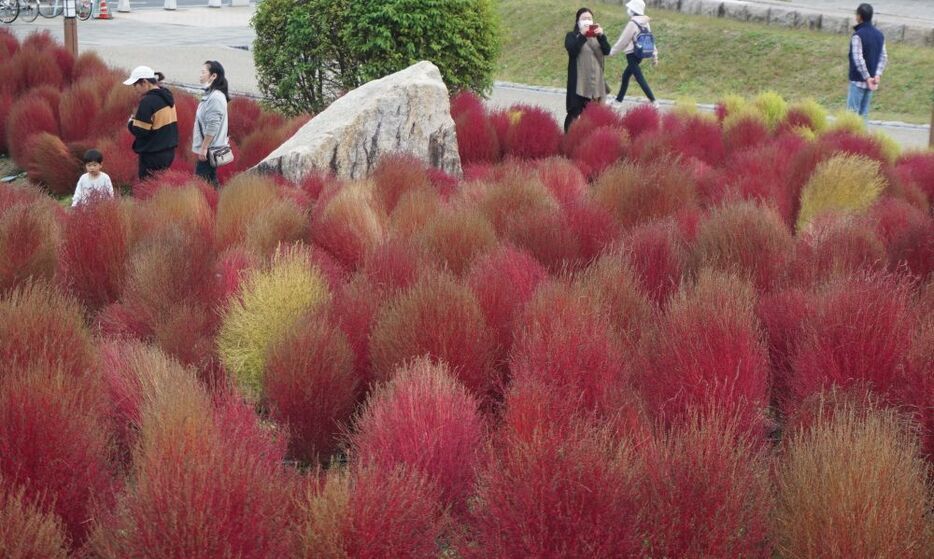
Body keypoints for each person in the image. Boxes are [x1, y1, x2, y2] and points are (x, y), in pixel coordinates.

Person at [124, 65, 179, 180]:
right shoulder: (167, 95)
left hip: (152, 154)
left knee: (147, 188)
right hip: (168, 152)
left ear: (144, 82)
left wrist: (130, 123)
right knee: (159, 186)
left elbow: (141, 131)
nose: (135, 88)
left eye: (135, 84)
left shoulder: (148, 101)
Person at [564, 7, 611, 132]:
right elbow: (572, 51)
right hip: (579, 83)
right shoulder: (572, 36)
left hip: (596, 82)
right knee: (574, 113)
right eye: (584, 18)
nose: (587, 21)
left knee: (592, 115)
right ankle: (568, 138)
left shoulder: (597, 38)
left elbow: (607, 50)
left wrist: (601, 35)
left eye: (589, 18)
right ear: (578, 21)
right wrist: (583, 35)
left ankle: (587, 139)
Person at [611, 0, 659, 106]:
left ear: (633, 10)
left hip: (631, 54)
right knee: (625, 76)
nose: (628, 10)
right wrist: (655, 55)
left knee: (639, 77)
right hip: (640, 54)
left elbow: (623, 41)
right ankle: (618, 101)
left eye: (630, 8)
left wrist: (611, 52)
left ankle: (654, 101)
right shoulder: (646, 22)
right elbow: (650, 39)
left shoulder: (632, 23)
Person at [192, 60, 230, 186]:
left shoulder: (216, 97)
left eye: (203, 72)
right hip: (210, 148)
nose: (200, 75)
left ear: (213, 76)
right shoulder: (211, 95)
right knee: (210, 181)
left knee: (201, 182)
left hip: (210, 149)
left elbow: (213, 125)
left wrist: (204, 147)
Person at [847, 3, 887, 120]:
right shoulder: (879, 35)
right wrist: (877, 75)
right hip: (871, 83)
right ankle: (863, 138)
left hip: (858, 81)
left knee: (851, 116)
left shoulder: (858, 36)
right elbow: (883, 56)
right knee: (863, 115)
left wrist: (867, 77)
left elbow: (858, 58)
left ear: (859, 16)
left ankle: (850, 138)